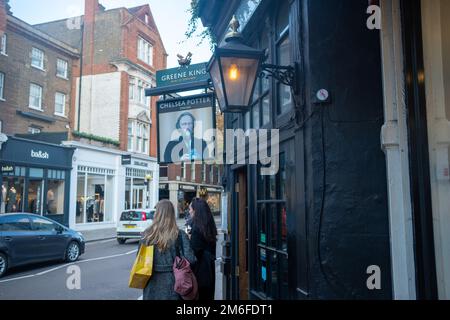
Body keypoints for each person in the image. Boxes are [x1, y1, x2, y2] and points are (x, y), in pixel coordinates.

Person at [141, 199, 196, 300]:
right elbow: (191, 259)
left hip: (151, 284)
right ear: (172, 214)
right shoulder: (179, 235)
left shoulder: (146, 235)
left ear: (157, 214)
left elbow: (140, 260)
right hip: (173, 284)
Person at [189, 198, 217, 300]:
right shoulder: (209, 225)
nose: (189, 211)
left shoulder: (196, 228)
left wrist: (189, 240)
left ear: (196, 210)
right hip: (209, 271)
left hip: (200, 275)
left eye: (190, 209)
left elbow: (193, 254)